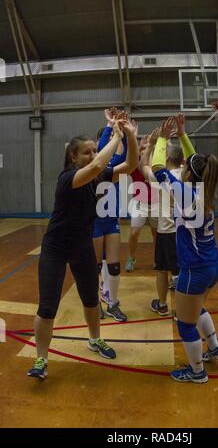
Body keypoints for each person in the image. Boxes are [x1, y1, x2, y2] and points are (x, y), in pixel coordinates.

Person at [27, 114, 138, 379]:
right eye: (86, 152)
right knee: (47, 307)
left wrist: (131, 136)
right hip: (55, 248)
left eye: (93, 151)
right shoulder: (69, 178)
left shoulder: (97, 178)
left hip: (81, 247)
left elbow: (131, 164)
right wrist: (116, 136)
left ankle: (94, 339)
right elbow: (101, 162)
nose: (93, 155)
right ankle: (41, 359)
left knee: (90, 300)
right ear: (74, 158)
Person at [151, 114, 218, 383]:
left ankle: (196, 372)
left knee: (185, 322)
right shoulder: (205, 187)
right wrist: (182, 135)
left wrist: (162, 138)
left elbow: (157, 166)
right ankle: (215, 347)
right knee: (197, 309)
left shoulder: (185, 192)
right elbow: (195, 163)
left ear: (187, 173)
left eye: (184, 167)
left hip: (195, 269)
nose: (182, 167)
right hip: (212, 265)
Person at [93, 108, 133, 322]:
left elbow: (128, 156)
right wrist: (110, 127)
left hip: (111, 221)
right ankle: (95, 303)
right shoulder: (96, 165)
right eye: (107, 139)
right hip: (94, 222)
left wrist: (126, 134)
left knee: (114, 266)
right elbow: (101, 153)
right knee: (95, 267)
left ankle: (113, 304)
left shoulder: (115, 165)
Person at [139, 128, 183, 316]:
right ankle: (182, 310)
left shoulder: (160, 177)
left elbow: (143, 166)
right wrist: (176, 137)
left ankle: (163, 305)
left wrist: (151, 145)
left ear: (165, 160)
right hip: (185, 232)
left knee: (162, 270)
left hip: (166, 232)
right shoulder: (189, 175)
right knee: (181, 272)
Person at [125, 136, 159, 273]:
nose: (145, 152)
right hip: (140, 203)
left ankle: (158, 259)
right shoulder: (135, 166)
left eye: (147, 149)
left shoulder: (157, 168)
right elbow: (130, 159)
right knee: (134, 233)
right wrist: (139, 147)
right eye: (143, 150)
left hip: (156, 203)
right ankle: (131, 258)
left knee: (156, 233)